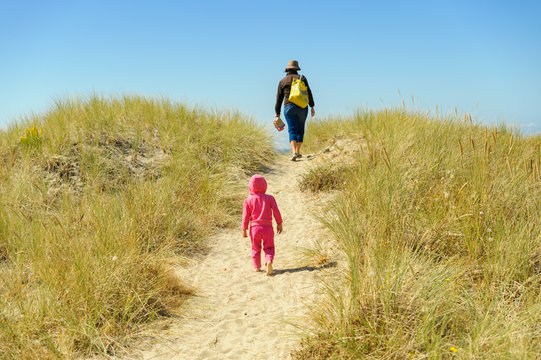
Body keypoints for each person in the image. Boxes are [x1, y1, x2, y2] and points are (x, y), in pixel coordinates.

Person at [242, 174, 283, 275]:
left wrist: (244, 228)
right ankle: (268, 261)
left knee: (255, 247)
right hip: (268, 227)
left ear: (250, 186)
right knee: (269, 247)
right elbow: (276, 211)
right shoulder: (270, 198)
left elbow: (245, 216)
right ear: (265, 185)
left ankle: (257, 267)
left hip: (254, 228)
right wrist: (279, 223)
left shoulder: (248, 200)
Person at [275, 60, 315, 161]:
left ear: (287, 69)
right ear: (297, 69)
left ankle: (293, 152)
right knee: (300, 129)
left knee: (292, 129)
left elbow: (278, 99)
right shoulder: (302, 78)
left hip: (288, 107)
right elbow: (308, 92)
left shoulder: (282, 81)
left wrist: (277, 114)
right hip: (302, 107)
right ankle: (297, 152)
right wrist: (312, 106)